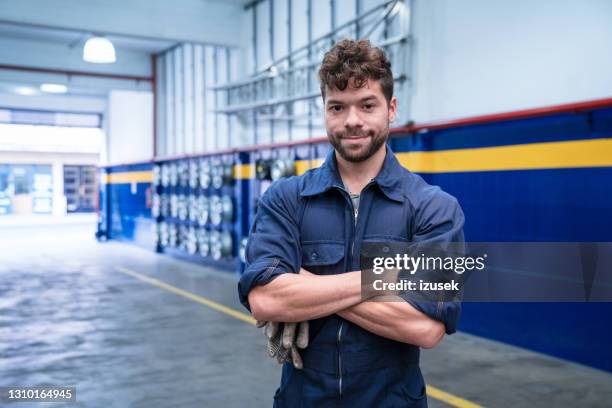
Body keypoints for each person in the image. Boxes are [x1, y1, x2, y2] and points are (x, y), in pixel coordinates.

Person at [238, 38, 464, 407]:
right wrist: (385, 278)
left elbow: (425, 327)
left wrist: (307, 283)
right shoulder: (286, 199)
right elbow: (264, 299)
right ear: (324, 111)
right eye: (337, 107)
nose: (352, 121)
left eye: (367, 105)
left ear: (391, 109)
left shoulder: (433, 208)